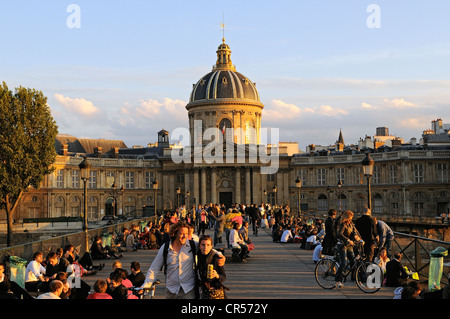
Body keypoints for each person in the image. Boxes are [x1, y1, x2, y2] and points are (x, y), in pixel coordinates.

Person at [141, 221, 225, 299]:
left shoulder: (192, 245)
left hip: (188, 290)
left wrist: (220, 255)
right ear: (174, 233)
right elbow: (154, 268)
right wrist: (145, 286)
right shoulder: (166, 248)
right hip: (171, 290)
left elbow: (207, 248)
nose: (184, 236)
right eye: (181, 233)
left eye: (186, 233)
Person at [334, 210, 362, 288]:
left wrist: (360, 240)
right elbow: (339, 234)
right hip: (342, 245)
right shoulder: (343, 224)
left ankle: (356, 280)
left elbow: (355, 232)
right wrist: (347, 240)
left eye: (351, 218)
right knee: (344, 263)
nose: (351, 220)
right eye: (350, 218)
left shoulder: (351, 224)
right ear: (346, 218)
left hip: (349, 245)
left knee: (354, 262)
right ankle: (337, 280)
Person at [197, 235, 227, 299]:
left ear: (211, 246)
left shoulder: (216, 258)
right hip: (202, 291)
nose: (205, 247)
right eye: (203, 245)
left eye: (208, 245)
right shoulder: (197, 256)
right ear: (199, 246)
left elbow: (223, 277)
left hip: (215, 292)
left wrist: (217, 275)